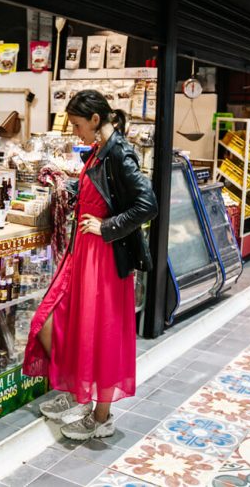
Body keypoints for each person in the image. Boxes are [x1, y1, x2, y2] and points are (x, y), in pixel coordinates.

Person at [23, 89, 158, 441]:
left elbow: (148, 204)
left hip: (104, 257)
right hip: (83, 253)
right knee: (60, 320)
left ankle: (101, 416)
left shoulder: (119, 152)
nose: (75, 132)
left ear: (96, 120)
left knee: (102, 332)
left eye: (78, 125)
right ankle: (78, 392)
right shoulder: (100, 150)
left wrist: (106, 227)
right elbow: (97, 194)